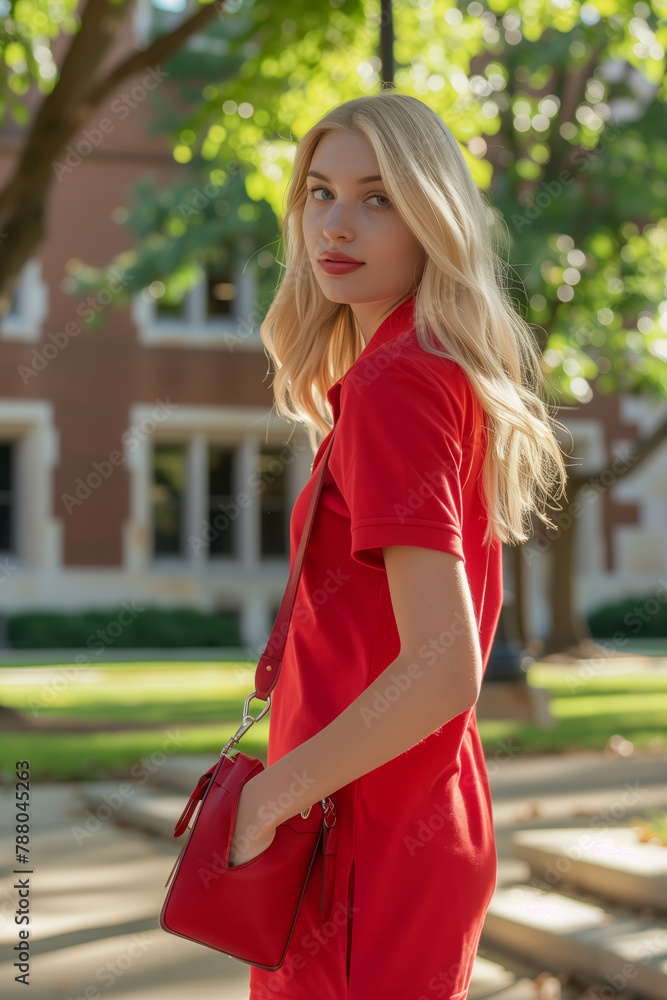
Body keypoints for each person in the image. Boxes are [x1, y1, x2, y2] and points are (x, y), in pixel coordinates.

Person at [230, 92, 569, 999]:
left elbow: (446, 665)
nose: (335, 225)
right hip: (400, 823)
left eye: (378, 197)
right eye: (318, 192)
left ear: (433, 218)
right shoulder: (425, 369)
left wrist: (271, 795)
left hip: (362, 845)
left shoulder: (396, 383)